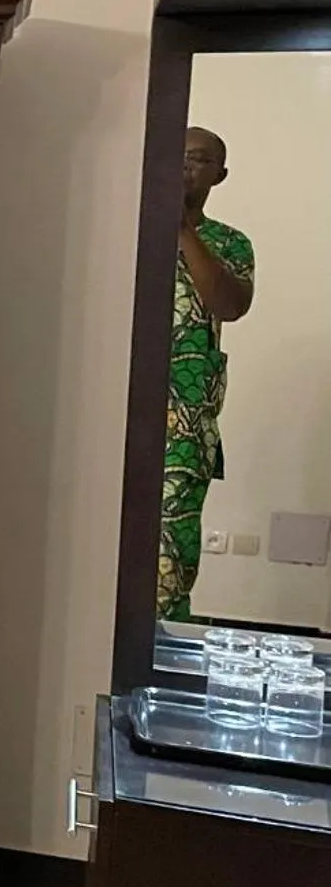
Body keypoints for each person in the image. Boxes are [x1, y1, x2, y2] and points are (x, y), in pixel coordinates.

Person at [159, 126, 255, 621]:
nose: (183, 167)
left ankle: (156, 657)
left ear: (219, 174)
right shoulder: (125, 228)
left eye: (197, 159)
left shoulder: (229, 242)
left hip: (187, 420)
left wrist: (181, 231)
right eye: (176, 157)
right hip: (116, 410)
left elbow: (231, 304)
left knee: (173, 547)